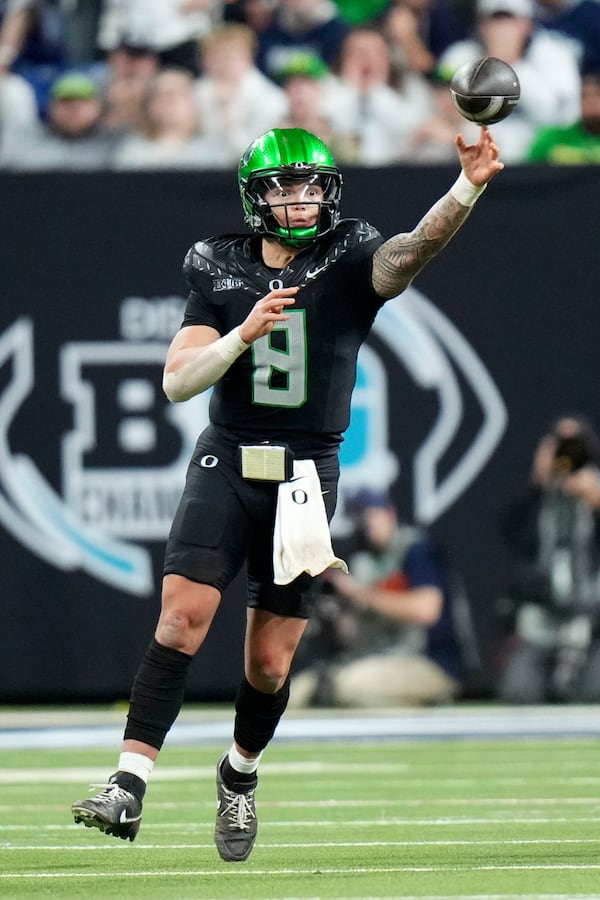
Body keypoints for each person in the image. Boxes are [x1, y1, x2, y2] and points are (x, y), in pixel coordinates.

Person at [71, 123, 504, 863]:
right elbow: (177, 382)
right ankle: (127, 783)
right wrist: (240, 335)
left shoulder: (350, 251)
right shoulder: (218, 262)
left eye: (312, 185)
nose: (302, 199)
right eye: (285, 186)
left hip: (306, 471)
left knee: (270, 663)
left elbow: (412, 251)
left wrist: (466, 186)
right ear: (254, 196)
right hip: (229, 457)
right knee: (181, 619)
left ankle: (238, 777)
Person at [289, 489, 475, 708]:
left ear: (389, 514)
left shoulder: (415, 549)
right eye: (358, 516)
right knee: (297, 692)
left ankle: (428, 706)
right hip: (378, 659)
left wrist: (359, 593)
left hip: (432, 662)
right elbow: (353, 636)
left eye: (370, 514)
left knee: (349, 686)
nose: (364, 523)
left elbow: (427, 610)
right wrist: (335, 611)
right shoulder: (364, 562)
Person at [496, 415, 600, 704]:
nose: (568, 453)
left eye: (575, 444)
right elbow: (514, 537)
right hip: (546, 617)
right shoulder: (540, 499)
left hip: (594, 618)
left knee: (593, 692)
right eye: (561, 444)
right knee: (518, 692)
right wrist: (538, 487)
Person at [437, 0, 581, 162]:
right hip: (477, 155)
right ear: (481, 25)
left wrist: (511, 64)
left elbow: (561, 119)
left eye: (509, 19)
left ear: (527, 24)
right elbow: (448, 114)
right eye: (494, 20)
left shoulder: (556, 54)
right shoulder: (459, 56)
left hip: (539, 162)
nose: (501, 29)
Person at [111, 67, 233, 170]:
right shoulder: (131, 154)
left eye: (180, 93)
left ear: (194, 103)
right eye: (162, 94)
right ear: (150, 106)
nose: (171, 100)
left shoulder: (215, 152)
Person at [8, 69, 116, 169]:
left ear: (97, 108)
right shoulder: (28, 143)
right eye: (66, 104)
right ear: (51, 108)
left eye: (81, 104)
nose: (73, 111)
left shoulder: (113, 143)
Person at [526, 68, 600, 163]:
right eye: (584, 96)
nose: (591, 101)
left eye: (598, 94)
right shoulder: (552, 138)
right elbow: (530, 172)